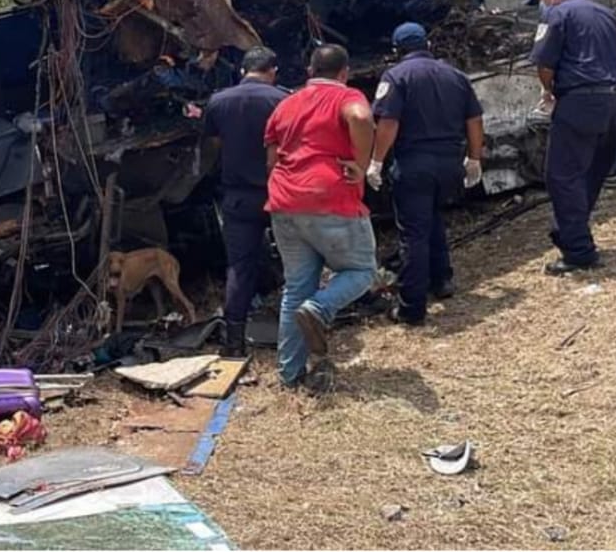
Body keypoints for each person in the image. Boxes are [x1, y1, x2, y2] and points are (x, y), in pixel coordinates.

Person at [263, 44, 378, 391]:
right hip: (330, 198)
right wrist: (360, 164)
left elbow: (271, 159)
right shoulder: (347, 96)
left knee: (295, 289)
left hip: (284, 201)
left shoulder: (285, 104)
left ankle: (289, 374)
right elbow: (360, 117)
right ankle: (321, 307)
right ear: (344, 73)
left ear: (310, 71)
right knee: (361, 271)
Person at [367, 23, 486, 325]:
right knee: (432, 219)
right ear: (427, 44)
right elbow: (474, 119)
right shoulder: (455, 75)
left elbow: (388, 122)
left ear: (397, 51)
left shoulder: (396, 77)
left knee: (413, 234)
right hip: (449, 164)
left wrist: (376, 161)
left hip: (415, 164)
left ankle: (411, 307)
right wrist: (474, 158)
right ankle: (442, 280)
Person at [527, 0, 616, 275]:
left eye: (539, 0)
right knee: (591, 171)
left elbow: (545, 62)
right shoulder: (606, 13)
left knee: (562, 175)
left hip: (582, 100)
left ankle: (578, 252)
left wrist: (548, 93)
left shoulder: (556, 15)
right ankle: (569, 232)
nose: (540, 7)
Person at [202, 47, 288, 358]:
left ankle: (233, 342)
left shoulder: (218, 101)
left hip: (238, 196)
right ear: (273, 70)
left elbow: (213, 145)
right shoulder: (283, 100)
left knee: (239, 267)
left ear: (242, 71)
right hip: (281, 192)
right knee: (298, 261)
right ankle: (297, 331)